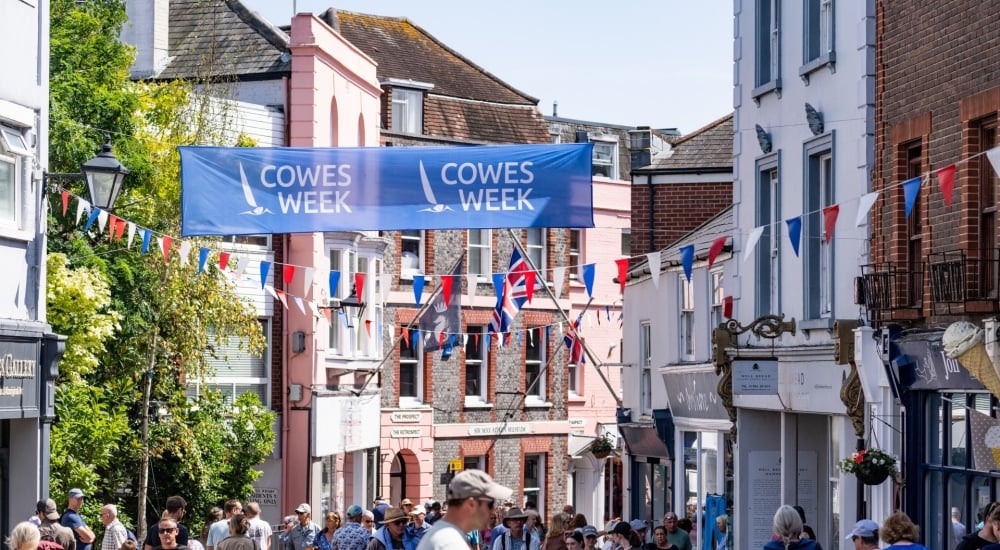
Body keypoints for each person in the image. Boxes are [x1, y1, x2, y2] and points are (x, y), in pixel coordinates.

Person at [416, 469, 512, 550]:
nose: (492, 511)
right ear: (471, 504)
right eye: (490, 504)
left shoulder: (445, 536)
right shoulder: (450, 543)